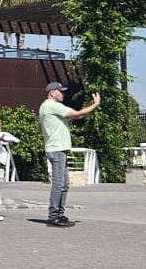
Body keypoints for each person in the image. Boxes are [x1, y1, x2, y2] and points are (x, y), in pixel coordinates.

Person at [39, 82, 101, 228]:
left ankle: (59, 214)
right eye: (60, 92)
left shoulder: (45, 107)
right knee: (59, 184)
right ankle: (53, 216)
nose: (63, 94)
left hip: (58, 148)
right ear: (52, 92)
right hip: (57, 149)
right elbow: (78, 115)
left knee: (64, 184)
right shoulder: (51, 105)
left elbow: (41, 128)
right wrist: (95, 105)